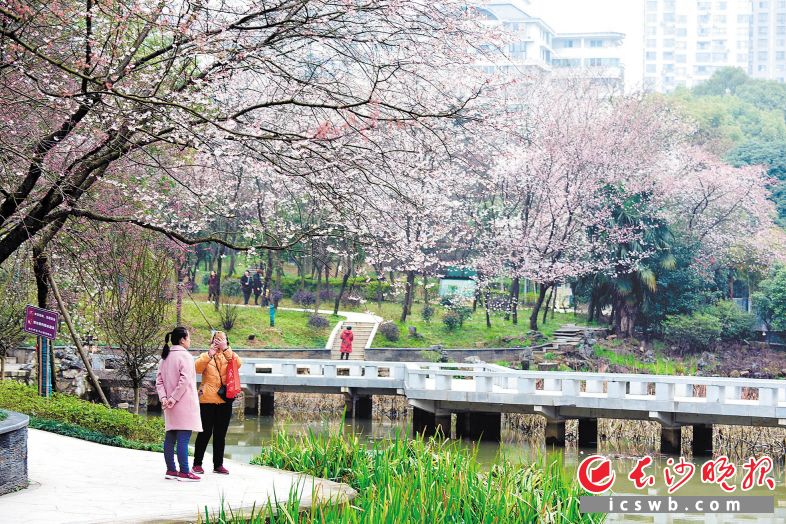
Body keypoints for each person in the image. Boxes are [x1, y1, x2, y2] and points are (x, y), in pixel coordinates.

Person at [155, 327, 202, 482]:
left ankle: (171, 470)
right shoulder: (186, 357)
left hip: (169, 404)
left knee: (170, 438)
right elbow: (185, 381)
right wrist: (174, 398)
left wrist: (164, 398)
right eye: (188, 337)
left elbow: (159, 381)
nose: (190, 340)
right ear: (182, 339)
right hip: (183, 403)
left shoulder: (165, 357)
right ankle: (184, 471)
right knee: (183, 438)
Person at [193, 331, 242, 475]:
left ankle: (218, 464)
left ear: (227, 341)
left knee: (220, 434)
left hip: (225, 399)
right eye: (216, 339)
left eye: (223, 339)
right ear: (212, 341)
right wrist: (209, 354)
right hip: (207, 399)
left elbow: (238, 364)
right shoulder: (206, 355)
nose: (219, 342)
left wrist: (225, 349)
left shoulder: (230, 356)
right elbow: (196, 368)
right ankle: (197, 464)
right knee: (204, 433)